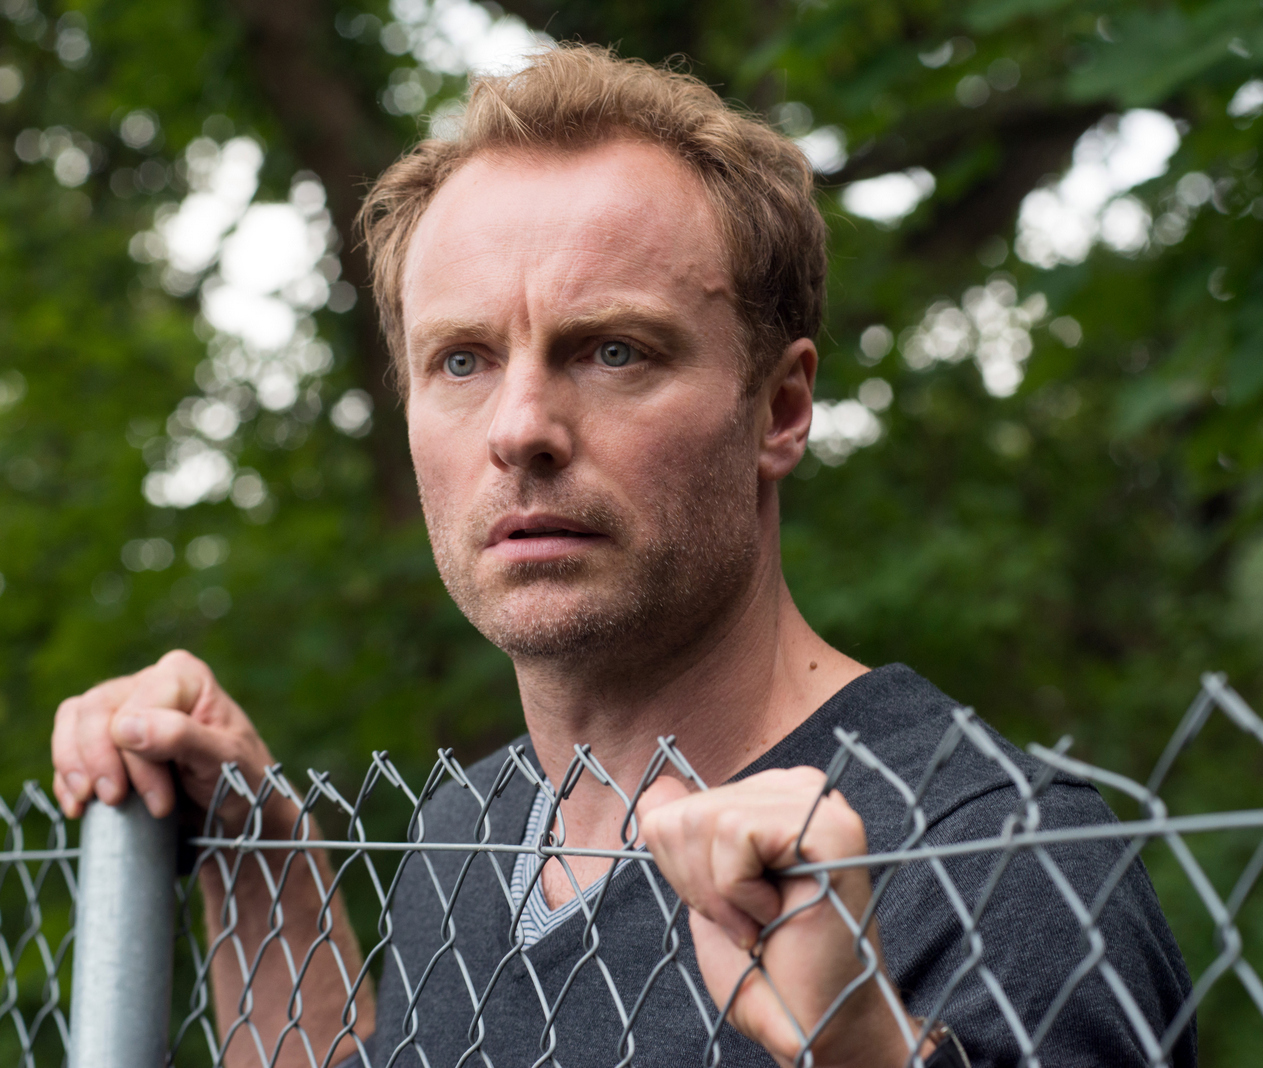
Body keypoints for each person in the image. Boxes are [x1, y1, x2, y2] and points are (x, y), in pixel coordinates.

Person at [50, 44, 1197, 1068]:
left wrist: (859, 1055)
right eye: (461, 361)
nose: (520, 429)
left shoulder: (1000, 856)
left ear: (780, 409)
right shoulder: (464, 833)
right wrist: (259, 848)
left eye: (613, 351)